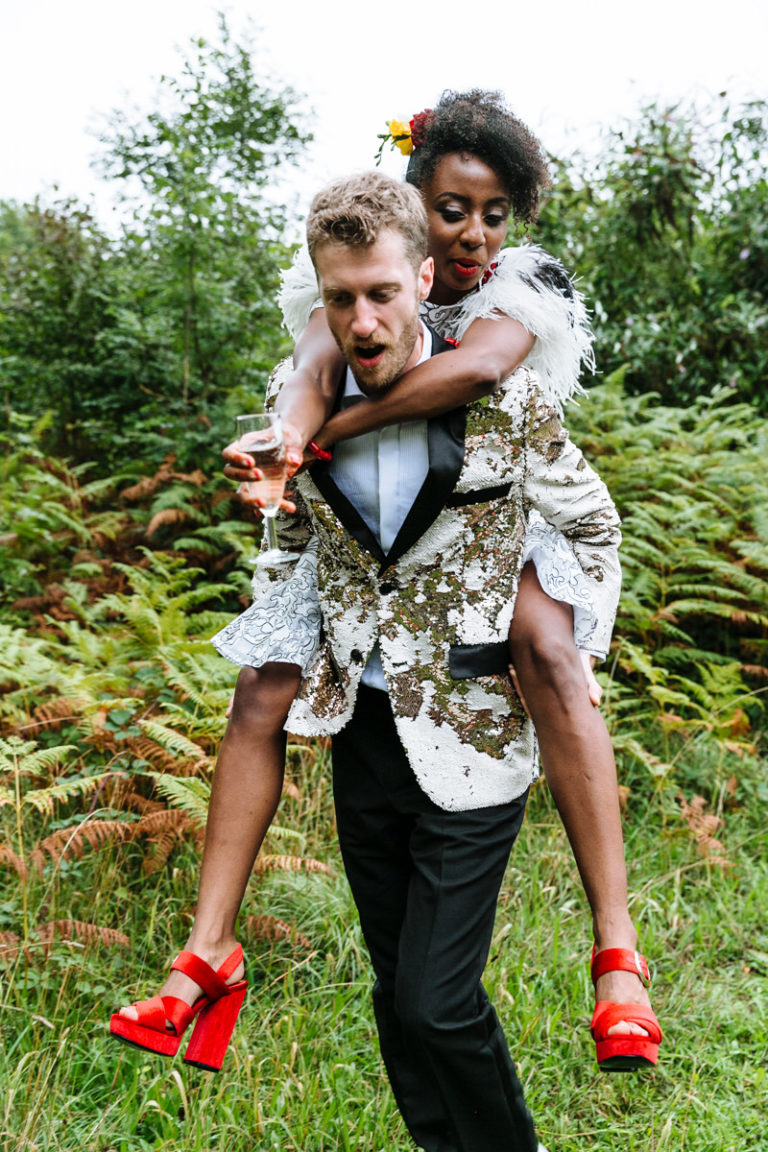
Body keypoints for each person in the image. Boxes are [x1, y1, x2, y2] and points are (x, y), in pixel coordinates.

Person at [111, 92, 661, 1080]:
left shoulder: (517, 296)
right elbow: (311, 364)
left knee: (546, 647)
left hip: (504, 527)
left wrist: (324, 434)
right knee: (260, 688)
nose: (475, 234)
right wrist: (290, 435)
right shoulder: (355, 283)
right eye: (452, 210)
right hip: (373, 572)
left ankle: (617, 948)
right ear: (415, 205)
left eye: (494, 214)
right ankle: (207, 948)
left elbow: (474, 374)